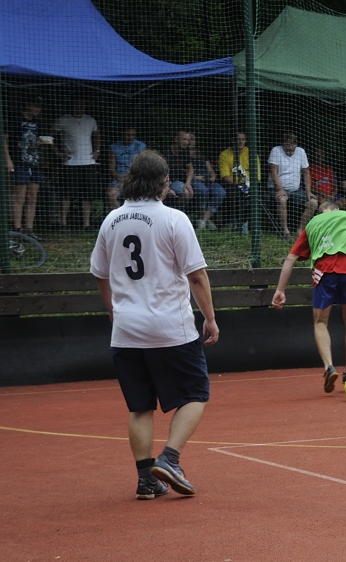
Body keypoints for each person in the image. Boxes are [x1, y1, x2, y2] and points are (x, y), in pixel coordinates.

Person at [89, 150, 219, 499]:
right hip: (169, 326)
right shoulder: (174, 219)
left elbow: (100, 274)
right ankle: (170, 459)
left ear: (131, 180)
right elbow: (196, 276)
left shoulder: (111, 220)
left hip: (126, 331)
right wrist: (209, 318)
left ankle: (146, 479)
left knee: (140, 406)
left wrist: (113, 310)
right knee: (196, 393)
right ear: (164, 183)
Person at [271, 199, 346, 392]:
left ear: (320, 212)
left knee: (320, 322)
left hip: (324, 271)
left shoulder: (312, 224)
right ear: (337, 209)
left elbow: (291, 258)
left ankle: (329, 367)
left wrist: (280, 290)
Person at [53, 97, 102, 230]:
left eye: (82, 104)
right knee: (66, 194)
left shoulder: (90, 120)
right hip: (70, 163)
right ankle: (63, 224)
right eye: (77, 104)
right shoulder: (63, 120)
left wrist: (97, 150)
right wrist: (58, 153)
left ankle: (86, 224)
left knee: (87, 195)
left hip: (88, 162)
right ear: (71, 104)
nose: (79, 107)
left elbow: (97, 135)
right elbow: (50, 137)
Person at [3, 96, 46, 239]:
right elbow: (4, 139)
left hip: (35, 162)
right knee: (19, 196)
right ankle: (17, 229)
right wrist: (8, 160)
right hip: (19, 162)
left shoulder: (38, 122)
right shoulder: (15, 120)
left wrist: (42, 142)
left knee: (32, 196)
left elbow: (37, 140)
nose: (38, 109)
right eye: (35, 106)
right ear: (28, 105)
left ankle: (29, 230)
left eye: (40, 107)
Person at [269, 132, 316, 238]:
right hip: (277, 188)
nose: (290, 147)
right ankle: (285, 231)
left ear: (296, 144)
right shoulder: (276, 150)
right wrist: (280, 189)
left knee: (313, 203)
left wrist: (308, 191)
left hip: (296, 190)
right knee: (282, 200)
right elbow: (273, 172)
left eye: (292, 144)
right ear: (282, 144)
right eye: (287, 144)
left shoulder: (301, 152)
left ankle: (300, 230)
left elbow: (306, 173)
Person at [217, 131, 260, 234]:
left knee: (256, 195)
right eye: (238, 139)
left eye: (243, 139)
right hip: (233, 185)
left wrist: (250, 184)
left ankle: (249, 224)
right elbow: (225, 176)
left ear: (245, 141)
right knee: (237, 195)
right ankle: (236, 224)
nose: (240, 142)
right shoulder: (224, 154)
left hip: (250, 184)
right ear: (232, 140)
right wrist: (238, 184)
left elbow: (257, 175)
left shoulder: (252, 153)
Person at [188, 133, 226, 230]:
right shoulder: (182, 154)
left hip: (207, 180)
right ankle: (206, 220)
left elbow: (210, 169)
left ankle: (203, 220)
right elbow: (182, 170)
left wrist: (213, 175)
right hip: (194, 180)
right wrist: (195, 177)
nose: (190, 142)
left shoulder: (201, 155)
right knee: (203, 190)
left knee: (220, 192)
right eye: (188, 139)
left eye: (192, 139)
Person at [108, 125, 146, 211]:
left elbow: (144, 166)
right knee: (111, 194)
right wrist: (121, 180)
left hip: (136, 178)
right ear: (122, 134)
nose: (130, 137)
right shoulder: (114, 147)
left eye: (133, 135)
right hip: (120, 178)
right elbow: (111, 169)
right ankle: (121, 215)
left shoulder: (141, 146)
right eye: (127, 135)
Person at [162, 130, 195, 203]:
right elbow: (159, 173)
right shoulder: (165, 152)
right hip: (161, 181)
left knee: (187, 193)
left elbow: (190, 168)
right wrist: (167, 188)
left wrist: (188, 183)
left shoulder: (185, 151)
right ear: (176, 139)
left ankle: (177, 209)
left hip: (175, 181)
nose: (187, 142)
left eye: (188, 140)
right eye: (184, 139)